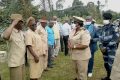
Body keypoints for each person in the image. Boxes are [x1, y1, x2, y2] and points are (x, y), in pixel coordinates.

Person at [2, 14, 26, 80]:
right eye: (21, 22)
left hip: (22, 61)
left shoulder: (21, 32)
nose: (22, 24)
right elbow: (5, 36)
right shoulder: (10, 32)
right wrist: (13, 24)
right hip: (15, 63)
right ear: (16, 23)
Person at [99, 12, 119, 80]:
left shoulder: (114, 28)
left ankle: (112, 78)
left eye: (105, 18)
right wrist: (101, 46)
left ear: (110, 19)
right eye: (104, 18)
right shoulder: (102, 28)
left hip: (111, 50)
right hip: (104, 50)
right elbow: (100, 38)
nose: (104, 19)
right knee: (106, 64)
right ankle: (108, 76)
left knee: (112, 65)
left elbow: (115, 39)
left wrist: (106, 47)